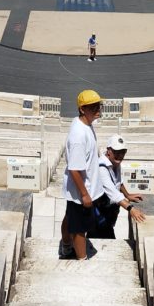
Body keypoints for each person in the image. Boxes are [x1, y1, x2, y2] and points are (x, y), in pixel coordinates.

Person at [59, 90, 105, 260]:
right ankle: (81, 260)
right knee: (80, 228)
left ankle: (65, 246)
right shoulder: (79, 135)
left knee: (70, 218)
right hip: (81, 191)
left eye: (98, 105)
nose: (98, 109)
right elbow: (74, 169)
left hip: (78, 190)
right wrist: (85, 194)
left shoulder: (84, 124)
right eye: (93, 107)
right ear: (82, 109)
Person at [94, 135, 146, 238]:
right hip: (99, 213)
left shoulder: (115, 163)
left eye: (122, 152)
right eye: (116, 152)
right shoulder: (101, 168)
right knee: (103, 237)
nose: (120, 155)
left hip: (109, 212)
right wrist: (131, 209)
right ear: (109, 150)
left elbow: (119, 182)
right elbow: (113, 193)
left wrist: (127, 195)